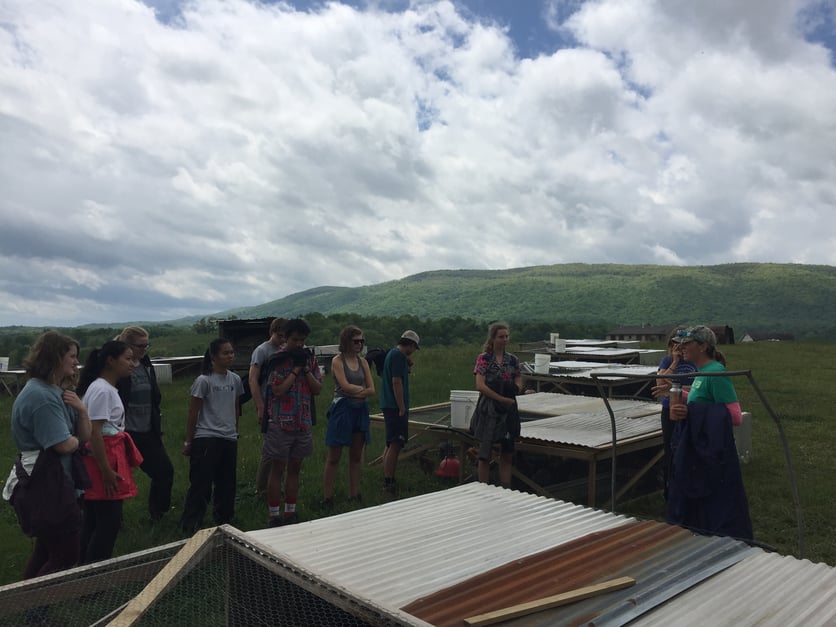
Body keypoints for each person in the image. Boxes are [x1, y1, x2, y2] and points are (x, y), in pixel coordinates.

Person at [4, 332, 91, 579]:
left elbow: (82, 436)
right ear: (54, 358)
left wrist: (82, 411)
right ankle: (34, 608)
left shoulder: (56, 390)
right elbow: (63, 445)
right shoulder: (41, 397)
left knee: (46, 550)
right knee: (65, 554)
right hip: (47, 485)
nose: (76, 362)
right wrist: (73, 440)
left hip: (56, 481)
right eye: (72, 356)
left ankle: (28, 607)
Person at [667, 325, 753, 541]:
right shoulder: (701, 372)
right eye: (680, 343)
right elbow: (705, 402)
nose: (681, 347)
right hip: (698, 451)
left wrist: (691, 411)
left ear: (703, 346)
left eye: (687, 343)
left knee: (716, 507)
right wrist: (683, 398)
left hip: (713, 454)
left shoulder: (716, 373)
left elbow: (734, 416)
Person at [78, 340, 143, 564]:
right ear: (110, 360)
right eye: (127, 358)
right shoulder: (102, 391)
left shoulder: (104, 388)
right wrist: (106, 470)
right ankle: (94, 578)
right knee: (108, 522)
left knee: (94, 520)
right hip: (102, 461)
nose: (132, 363)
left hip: (105, 457)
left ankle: (82, 572)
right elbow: (95, 432)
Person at [180, 338, 243, 535]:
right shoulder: (204, 380)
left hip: (228, 437)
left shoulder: (235, 379)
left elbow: (235, 406)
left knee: (227, 483)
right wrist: (189, 440)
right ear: (214, 356)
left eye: (231, 352)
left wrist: (234, 430)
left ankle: (224, 520)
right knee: (201, 483)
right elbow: (193, 412)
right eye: (225, 353)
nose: (230, 356)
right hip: (207, 437)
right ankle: (191, 524)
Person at [262, 318, 322, 526]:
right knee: (278, 467)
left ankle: (290, 511)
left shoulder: (309, 359)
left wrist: (304, 368)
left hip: (302, 421)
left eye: (302, 340)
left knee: (296, 467)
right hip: (281, 422)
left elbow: (317, 388)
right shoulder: (277, 359)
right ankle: (273, 514)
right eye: (295, 340)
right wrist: (295, 370)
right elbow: (277, 390)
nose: (298, 344)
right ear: (285, 338)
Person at [115, 326, 174, 521]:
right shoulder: (118, 366)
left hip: (148, 431)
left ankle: (158, 513)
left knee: (164, 471)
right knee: (118, 477)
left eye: (147, 345)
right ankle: (113, 519)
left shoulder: (146, 364)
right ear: (128, 345)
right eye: (141, 345)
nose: (144, 349)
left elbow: (154, 397)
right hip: (124, 432)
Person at [322, 325, 375, 508]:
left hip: (360, 410)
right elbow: (345, 386)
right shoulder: (338, 360)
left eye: (362, 341)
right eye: (356, 341)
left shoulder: (363, 362)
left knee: (356, 455)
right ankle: (327, 496)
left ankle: (355, 493)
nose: (359, 344)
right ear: (346, 341)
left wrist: (357, 392)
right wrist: (362, 391)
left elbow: (372, 389)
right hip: (342, 409)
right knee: (334, 455)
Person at [469, 322, 522, 487]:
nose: (504, 340)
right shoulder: (484, 358)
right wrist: (500, 398)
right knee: (485, 452)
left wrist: (516, 389)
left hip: (508, 409)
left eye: (506, 336)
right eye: (501, 337)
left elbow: (519, 379)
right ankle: (483, 488)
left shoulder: (512, 360)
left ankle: (505, 487)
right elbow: (480, 385)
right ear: (492, 338)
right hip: (489, 408)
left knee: (507, 452)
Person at [651, 326, 697, 499]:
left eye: (683, 345)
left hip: (690, 409)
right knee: (670, 449)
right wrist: (675, 362)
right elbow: (659, 382)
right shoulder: (667, 360)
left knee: (690, 448)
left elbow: (699, 388)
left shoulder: (695, 361)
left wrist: (674, 387)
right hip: (669, 410)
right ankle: (669, 492)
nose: (679, 348)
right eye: (675, 344)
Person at [248, 317, 287, 498]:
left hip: (285, 404)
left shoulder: (285, 349)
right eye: (279, 336)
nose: (282, 340)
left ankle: (278, 485)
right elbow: (253, 379)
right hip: (268, 403)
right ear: (272, 332)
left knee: (284, 447)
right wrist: (259, 405)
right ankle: (262, 490)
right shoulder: (261, 351)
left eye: (285, 337)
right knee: (270, 449)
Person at [379, 330, 420, 499]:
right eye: (414, 348)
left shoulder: (394, 355)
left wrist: (407, 366)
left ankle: (386, 476)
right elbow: (396, 381)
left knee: (390, 443)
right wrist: (401, 407)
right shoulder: (397, 356)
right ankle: (389, 481)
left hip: (389, 405)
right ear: (410, 345)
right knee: (396, 444)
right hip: (394, 407)